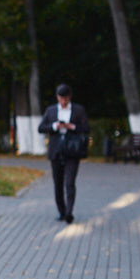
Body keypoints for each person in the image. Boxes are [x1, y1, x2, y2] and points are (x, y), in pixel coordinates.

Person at [38, 83, 90, 224]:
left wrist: (72, 127)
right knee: (58, 183)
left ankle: (69, 212)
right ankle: (61, 211)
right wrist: (55, 126)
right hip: (56, 150)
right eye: (61, 99)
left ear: (70, 97)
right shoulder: (51, 110)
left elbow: (86, 128)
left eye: (66, 99)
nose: (64, 102)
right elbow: (41, 128)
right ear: (57, 97)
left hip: (72, 150)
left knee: (70, 182)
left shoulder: (78, 110)